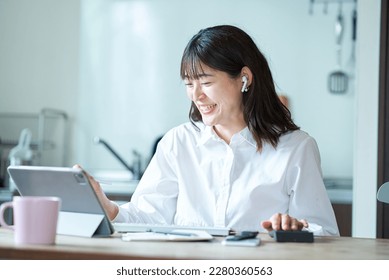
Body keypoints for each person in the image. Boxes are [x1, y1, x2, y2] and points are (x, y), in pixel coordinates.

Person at [82, 24, 339, 236]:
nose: (196, 95)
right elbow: (146, 218)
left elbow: (324, 232)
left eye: (205, 82)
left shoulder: (295, 148)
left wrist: (296, 230)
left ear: (244, 79)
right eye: (189, 84)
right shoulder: (178, 143)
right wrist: (109, 208)